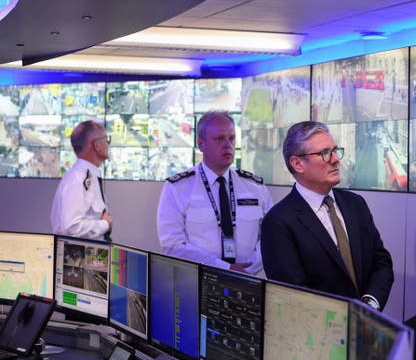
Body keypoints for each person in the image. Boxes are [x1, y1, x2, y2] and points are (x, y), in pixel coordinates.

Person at [261, 121, 394, 310]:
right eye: (324, 153)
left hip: (367, 328)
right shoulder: (278, 223)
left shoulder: (355, 204)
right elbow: (294, 296)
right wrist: (346, 322)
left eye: (335, 150)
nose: (335, 159)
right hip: (320, 334)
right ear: (297, 163)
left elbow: (381, 262)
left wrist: (370, 304)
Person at [156, 111, 272, 275]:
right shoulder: (177, 188)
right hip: (197, 281)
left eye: (231, 138)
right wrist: (223, 268)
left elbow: (270, 236)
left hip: (248, 280)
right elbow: (172, 245)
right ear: (201, 144)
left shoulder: (254, 186)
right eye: (219, 139)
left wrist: (248, 269)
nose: (227, 145)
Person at [50, 120, 112, 241]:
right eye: (106, 139)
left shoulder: (87, 176)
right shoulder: (79, 179)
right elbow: (72, 227)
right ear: (97, 145)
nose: (108, 143)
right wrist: (105, 224)